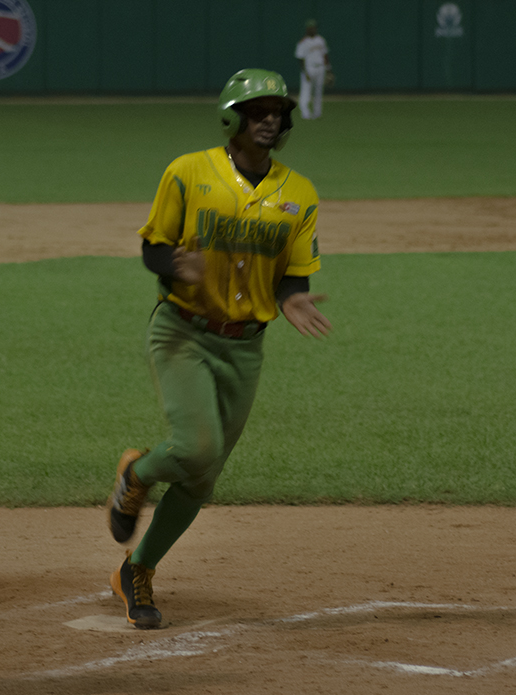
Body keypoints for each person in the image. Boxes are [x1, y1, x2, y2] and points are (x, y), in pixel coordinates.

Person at [106, 68, 331, 630]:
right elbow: (154, 246)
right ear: (234, 117)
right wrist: (172, 263)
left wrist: (293, 299)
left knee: (202, 479)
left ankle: (135, 569)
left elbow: (292, 275)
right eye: (258, 111)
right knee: (197, 448)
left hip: (245, 348)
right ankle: (136, 475)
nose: (270, 120)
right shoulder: (188, 172)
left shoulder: (299, 194)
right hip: (183, 331)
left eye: (277, 112)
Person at [294, 19, 331, 120]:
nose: (313, 29)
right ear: (307, 29)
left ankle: (317, 113)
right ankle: (305, 113)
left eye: (314, 27)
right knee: (306, 92)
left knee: (318, 92)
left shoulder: (321, 40)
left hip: (320, 68)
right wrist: (305, 71)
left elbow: (325, 55)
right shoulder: (303, 42)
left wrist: (328, 69)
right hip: (309, 68)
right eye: (311, 28)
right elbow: (300, 58)